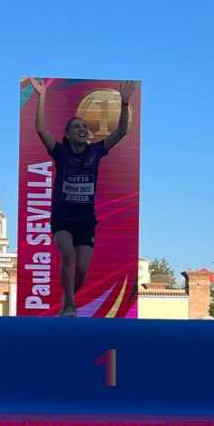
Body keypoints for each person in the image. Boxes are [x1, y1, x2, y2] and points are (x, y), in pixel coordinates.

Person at [29, 77, 133, 317]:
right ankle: (69, 306)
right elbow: (40, 129)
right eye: (77, 126)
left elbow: (122, 131)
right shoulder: (60, 152)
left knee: (83, 269)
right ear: (67, 134)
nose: (82, 129)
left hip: (86, 221)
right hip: (63, 218)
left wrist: (125, 102)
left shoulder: (96, 151)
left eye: (84, 127)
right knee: (68, 254)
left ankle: (67, 299)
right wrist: (42, 97)